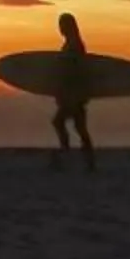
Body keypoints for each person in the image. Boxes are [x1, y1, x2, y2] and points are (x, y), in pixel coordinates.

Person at [51, 11, 96, 170]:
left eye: (62, 25)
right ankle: (89, 162)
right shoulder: (72, 43)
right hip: (73, 95)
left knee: (60, 122)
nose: (60, 28)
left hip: (74, 96)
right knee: (79, 127)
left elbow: (74, 70)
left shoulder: (74, 44)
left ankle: (68, 153)